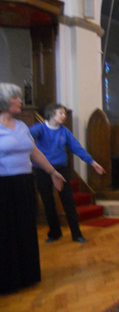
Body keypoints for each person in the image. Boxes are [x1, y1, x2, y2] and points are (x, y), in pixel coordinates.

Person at [0, 83, 65, 294]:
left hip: (25, 183)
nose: (21, 101)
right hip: (4, 186)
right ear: (4, 101)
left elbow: (34, 152)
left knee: (26, 229)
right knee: (6, 232)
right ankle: (7, 279)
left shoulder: (20, 126)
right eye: (16, 98)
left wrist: (52, 172)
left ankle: (26, 275)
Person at [30, 103, 105, 244]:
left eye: (64, 113)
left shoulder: (64, 131)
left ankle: (76, 234)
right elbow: (25, 139)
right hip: (42, 170)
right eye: (61, 113)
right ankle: (54, 232)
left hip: (61, 170)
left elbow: (77, 148)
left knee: (68, 202)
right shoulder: (39, 129)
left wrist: (92, 162)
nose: (64, 116)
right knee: (48, 202)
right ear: (51, 114)